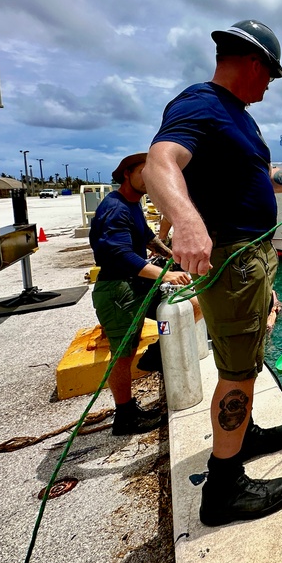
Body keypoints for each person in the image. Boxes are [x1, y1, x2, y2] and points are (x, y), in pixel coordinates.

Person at [143, 19, 282, 527]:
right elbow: (159, 161)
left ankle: (244, 431)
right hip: (233, 263)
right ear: (255, 64)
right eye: (270, 77)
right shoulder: (202, 104)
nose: (268, 88)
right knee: (236, 367)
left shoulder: (238, 119)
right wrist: (188, 222)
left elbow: (265, 177)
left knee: (246, 357)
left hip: (250, 262)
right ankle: (225, 485)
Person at [89, 152, 193, 435]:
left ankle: (157, 353)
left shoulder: (133, 204)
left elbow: (147, 237)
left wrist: (172, 255)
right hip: (117, 288)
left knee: (194, 304)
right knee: (122, 354)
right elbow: (120, 254)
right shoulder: (115, 208)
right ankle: (124, 416)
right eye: (143, 172)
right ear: (127, 174)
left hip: (135, 283)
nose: (149, 178)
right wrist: (166, 274)